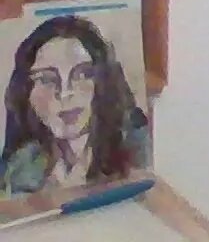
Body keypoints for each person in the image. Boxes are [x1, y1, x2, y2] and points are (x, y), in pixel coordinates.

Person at [0, 15, 150, 196]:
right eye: (46, 79)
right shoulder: (21, 164)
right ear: (26, 91)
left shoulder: (134, 151)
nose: (64, 93)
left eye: (83, 74)